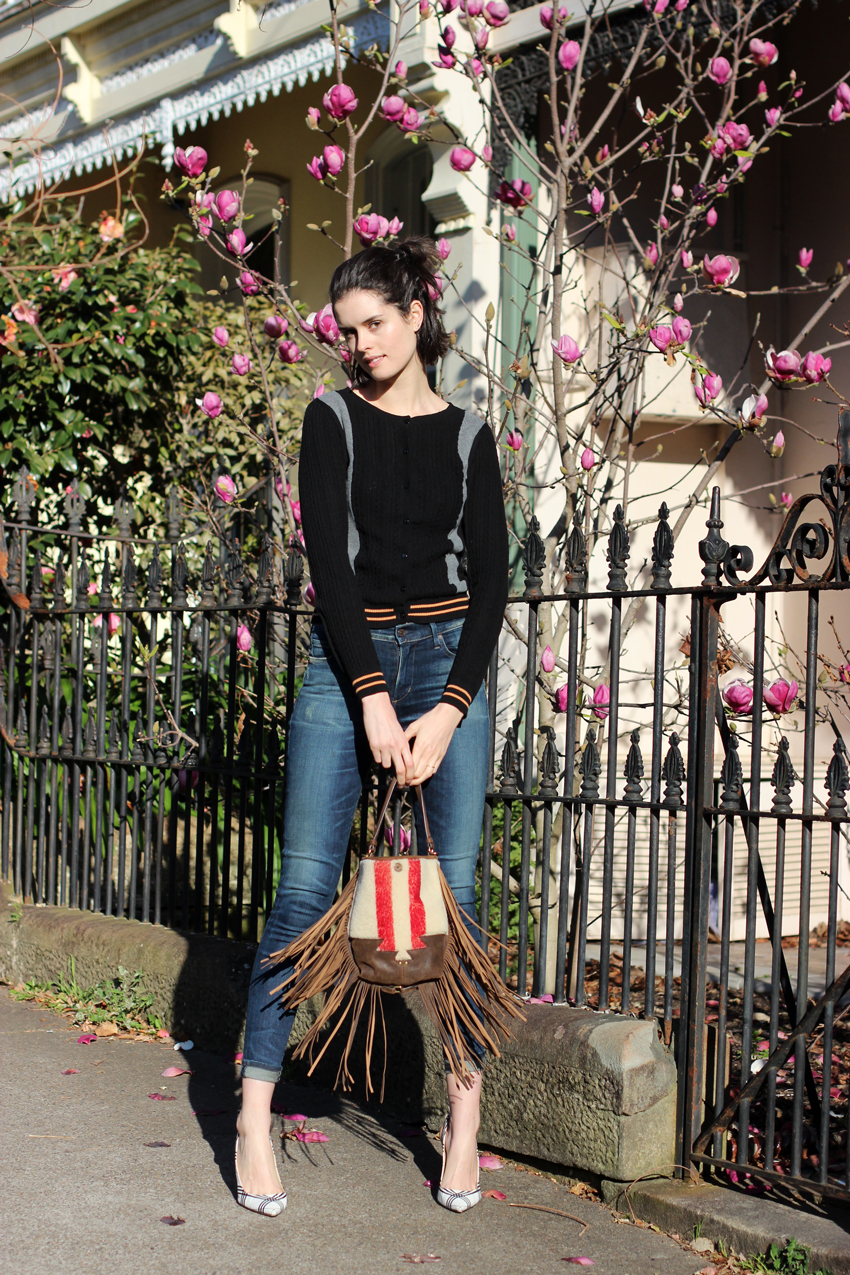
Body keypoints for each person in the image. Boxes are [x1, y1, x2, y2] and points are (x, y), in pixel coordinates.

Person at [234, 236, 509, 1216]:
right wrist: (369, 696)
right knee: (304, 888)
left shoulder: (471, 438)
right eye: (345, 331)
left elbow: (491, 588)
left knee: (461, 900)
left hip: (445, 671)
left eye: (373, 325)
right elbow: (332, 574)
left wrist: (449, 709)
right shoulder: (331, 422)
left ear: (416, 317)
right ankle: (253, 1114)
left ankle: (464, 1118)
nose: (357, 345)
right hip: (341, 672)